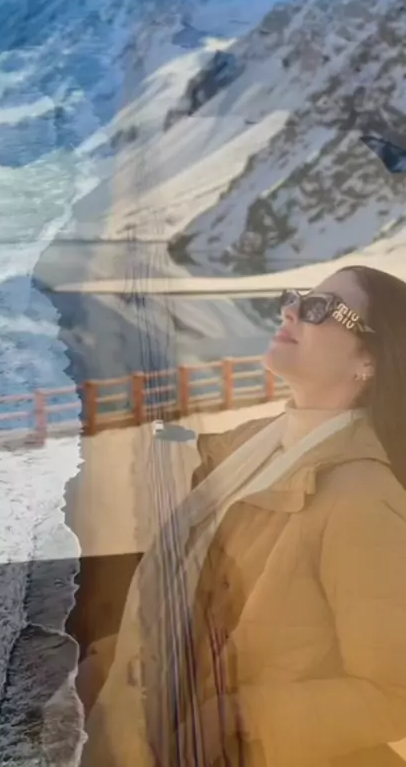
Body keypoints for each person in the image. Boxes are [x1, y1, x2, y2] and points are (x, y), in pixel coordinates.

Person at [80, 265, 406, 767]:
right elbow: (196, 600)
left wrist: (237, 717)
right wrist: (109, 661)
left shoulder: (360, 499)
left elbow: (395, 694)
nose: (290, 309)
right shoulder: (248, 450)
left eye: (320, 307)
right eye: (296, 297)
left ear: (368, 360)